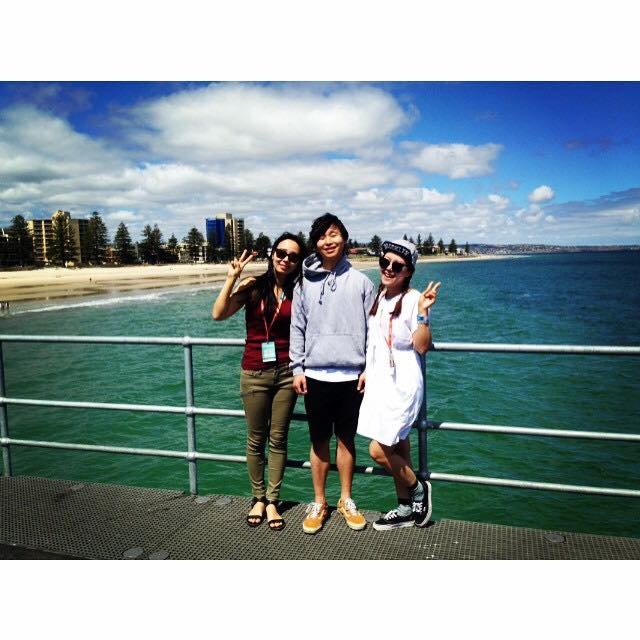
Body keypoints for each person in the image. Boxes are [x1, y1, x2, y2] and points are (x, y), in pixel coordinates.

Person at [212, 232, 307, 531]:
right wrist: (231, 278)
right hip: (254, 372)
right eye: (281, 253)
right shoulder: (253, 285)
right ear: (272, 254)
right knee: (256, 439)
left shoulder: (299, 291)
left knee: (278, 439)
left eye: (293, 256)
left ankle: (273, 501)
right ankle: (258, 498)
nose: (286, 259)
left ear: (298, 262)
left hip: (287, 372)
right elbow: (218, 314)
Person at [290, 213, 376, 534]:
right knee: (318, 441)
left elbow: (373, 331)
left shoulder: (362, 282)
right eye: (322, 236)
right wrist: (297, 368)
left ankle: (346, 499)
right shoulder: (303, 283)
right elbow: (297, 328)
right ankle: (319, 501)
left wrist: (368, 368)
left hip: (352, 376)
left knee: (346, 440)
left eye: (334, 234)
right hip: (314, 375)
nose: (328, 241)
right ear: (315, 243)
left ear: (344, 238)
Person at [356, 239, 441, 530]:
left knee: (378, 451)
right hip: (380, 381)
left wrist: (424, 313)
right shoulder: (381, 296)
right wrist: (367, 371)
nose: (389, 269)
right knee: (399, 448)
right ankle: (405, 507)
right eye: (385, 262)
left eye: (398, 265)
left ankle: (418, 489)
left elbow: (422, 346)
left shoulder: (414, 298)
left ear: (409, 271)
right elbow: (375, 341)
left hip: (403, 384)